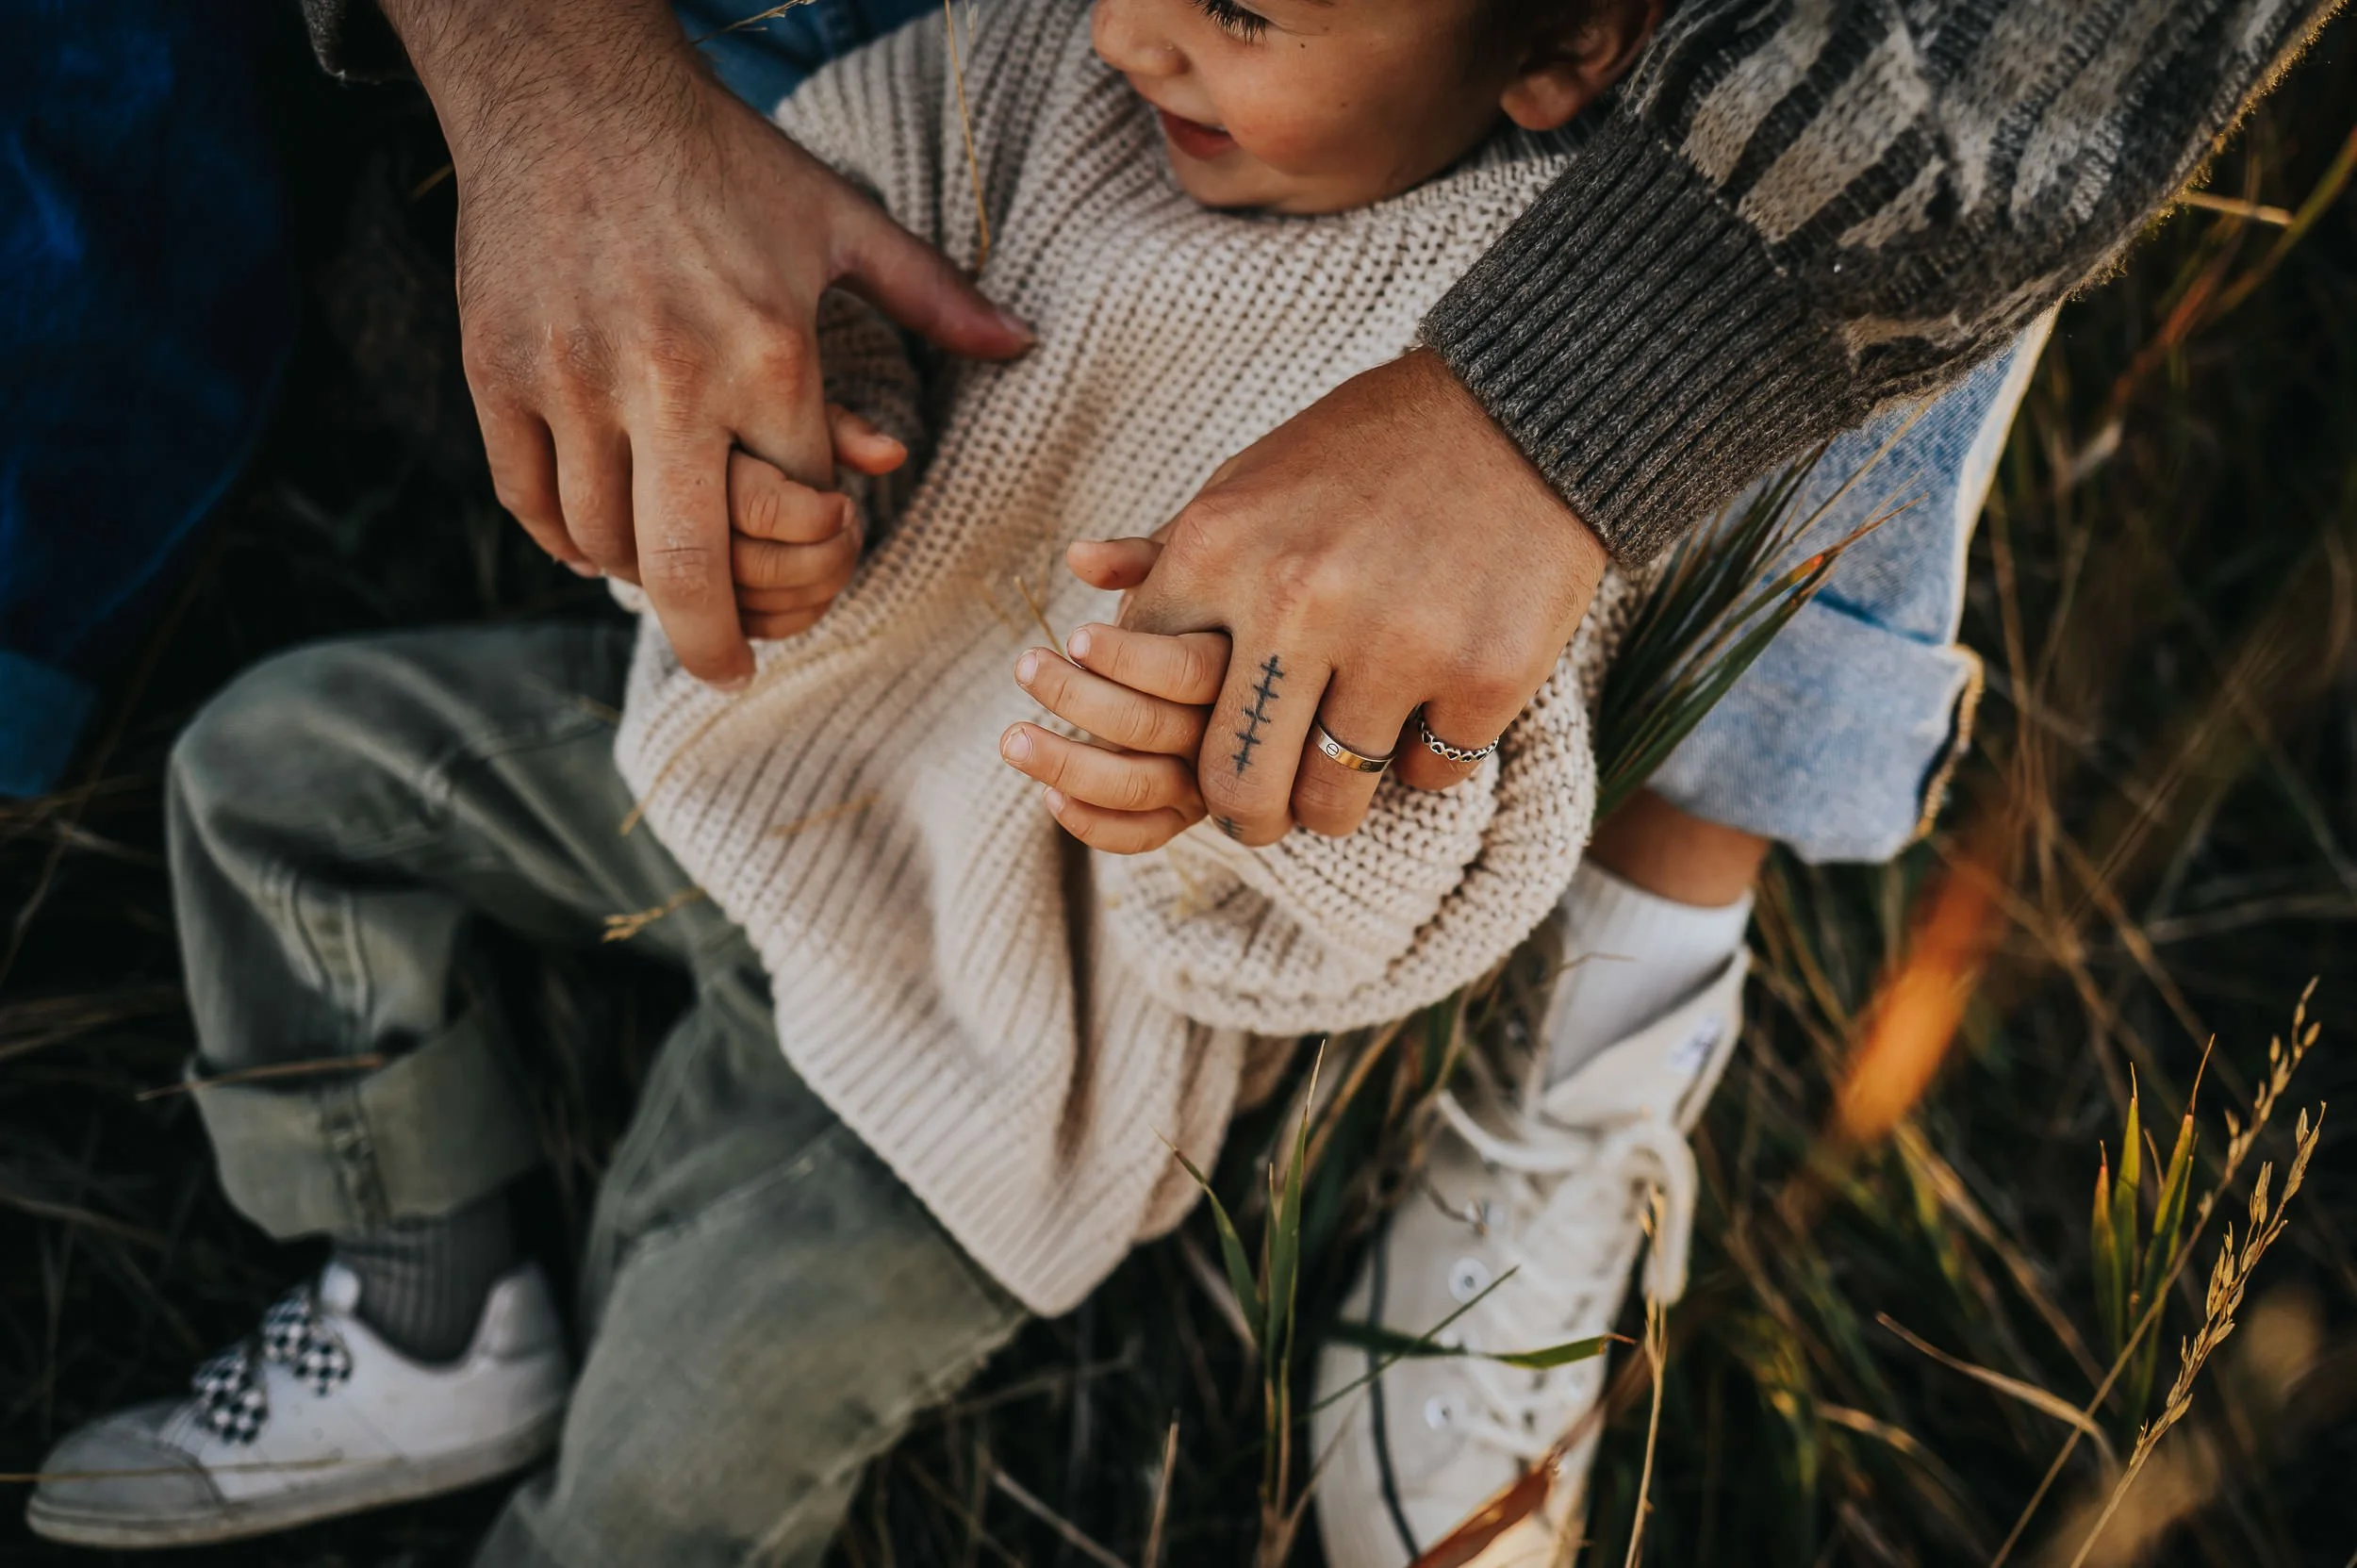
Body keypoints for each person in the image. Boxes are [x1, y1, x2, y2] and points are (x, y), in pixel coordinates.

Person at [25, 2, 2023, 1562]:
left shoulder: (1539, 378)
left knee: (667, 1480)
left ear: (1555, 50)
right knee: (271, 774)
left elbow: (1448, 857)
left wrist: (1232, 807)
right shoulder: (1037, 77)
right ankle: (427, 1293)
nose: (1137, 35)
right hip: (740, 773)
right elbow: (842, 227)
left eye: (1241, 6)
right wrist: (821, 414)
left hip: (998, 1056)